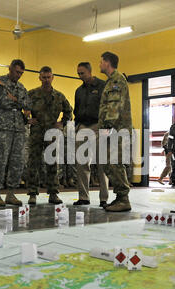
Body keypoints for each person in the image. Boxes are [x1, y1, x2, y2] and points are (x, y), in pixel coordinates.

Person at [26, 66, 73, 205]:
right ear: (40, 78)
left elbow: (69, 111)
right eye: (44, 77)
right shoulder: (32, 94)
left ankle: (53, 193)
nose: (46, 80)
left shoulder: (59, 96)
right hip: (36, 131)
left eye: (49, 77)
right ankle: (32, 194)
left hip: (52, 132)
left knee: (52, 163)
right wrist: (27, 120)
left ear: (53, 78)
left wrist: (62, 123)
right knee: (33, 162)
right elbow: (22, 109)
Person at [0, 59, 30, 206]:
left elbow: (28, 104)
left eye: (21, 73)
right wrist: (19, 102)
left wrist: (15, 100)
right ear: (10, 68)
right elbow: (2, 101)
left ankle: (11, 194)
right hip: (2, 127)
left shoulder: (21, 87)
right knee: (0, 160)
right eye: (16, 71)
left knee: (17, 162)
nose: (18, 75)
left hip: (18, 128)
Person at [98, 52, 132, 212]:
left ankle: (123, 199)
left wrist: (107, 127)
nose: (99, 64)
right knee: (107, 163)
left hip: (116, 130)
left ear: (107, 62)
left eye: (101, 61)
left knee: (115, 163)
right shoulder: (111, 81)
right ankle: (119, 197)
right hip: (113, 130)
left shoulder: (117, 80)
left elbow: (114, 106)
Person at [73, 62, 109, 207]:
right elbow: (76, 109)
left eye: (82, 73)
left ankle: (104, 199)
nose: (80, 76)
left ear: (89, 71)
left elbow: (108, 107)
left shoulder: (102, 86)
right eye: (78, 74)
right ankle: (83, 197)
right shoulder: (79, 90)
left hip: (98, 126)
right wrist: (77, 126)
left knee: (102, 164)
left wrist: (107, 126)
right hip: (83, 127)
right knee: (82, 164)